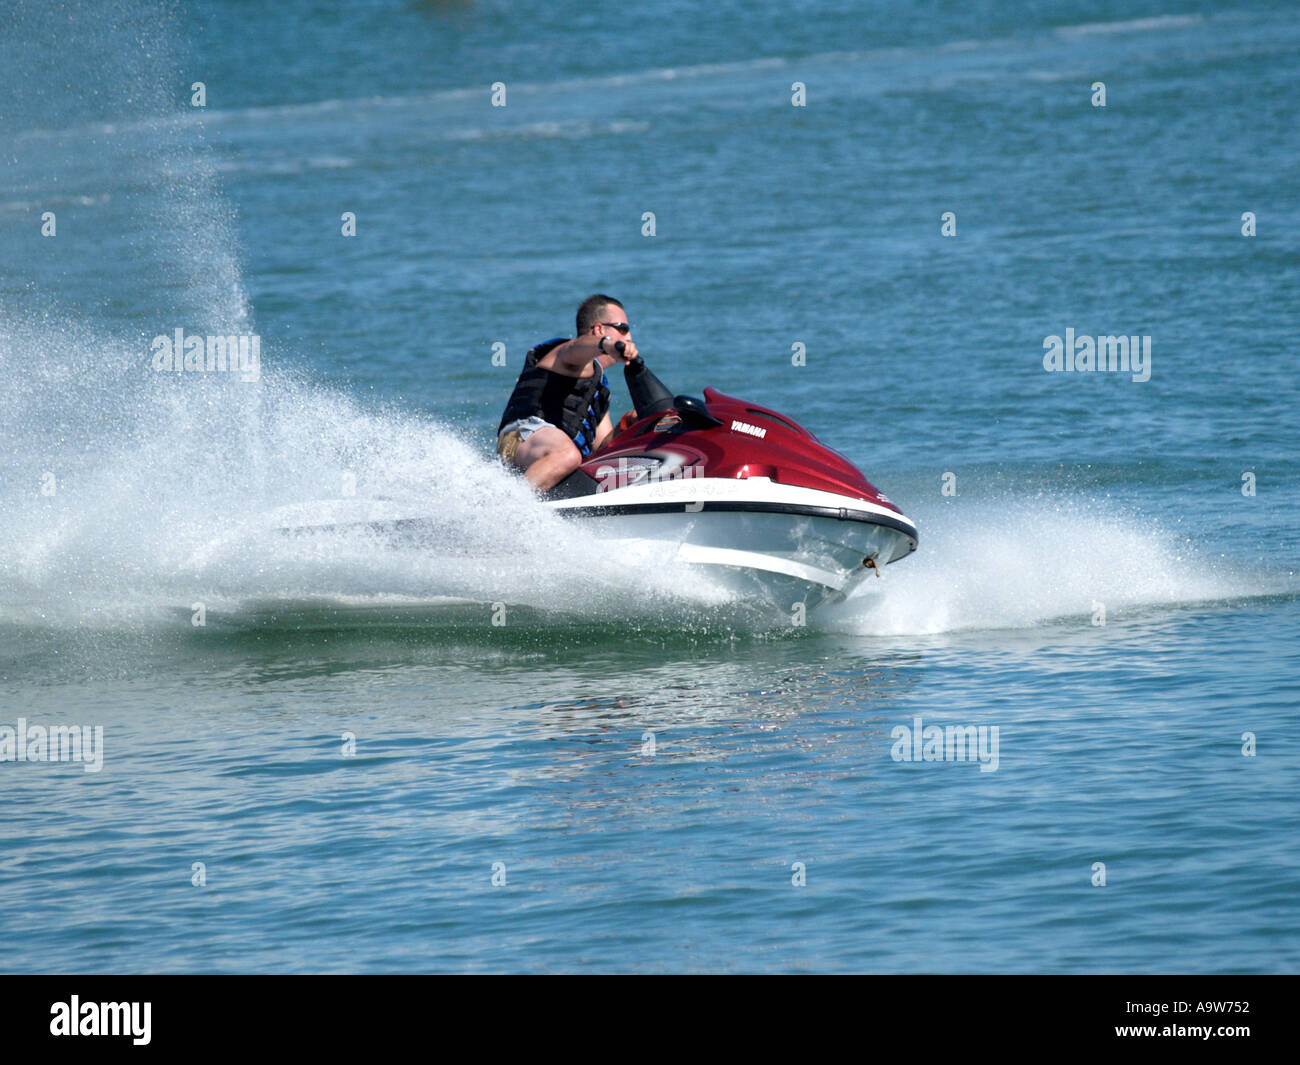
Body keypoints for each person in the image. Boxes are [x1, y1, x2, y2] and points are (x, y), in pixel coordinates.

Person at [496, 294, 639, 490]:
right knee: (568, 455)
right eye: (622, 328)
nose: (629, 337)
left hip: (549, 452)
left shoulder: (598, 388)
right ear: (599, 329)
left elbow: (601, 447)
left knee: (576, 458)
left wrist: (627, 424)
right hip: (521, 436)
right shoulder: (566, 354)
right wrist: (607, 345)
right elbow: (575, 346)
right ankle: (505, 509)